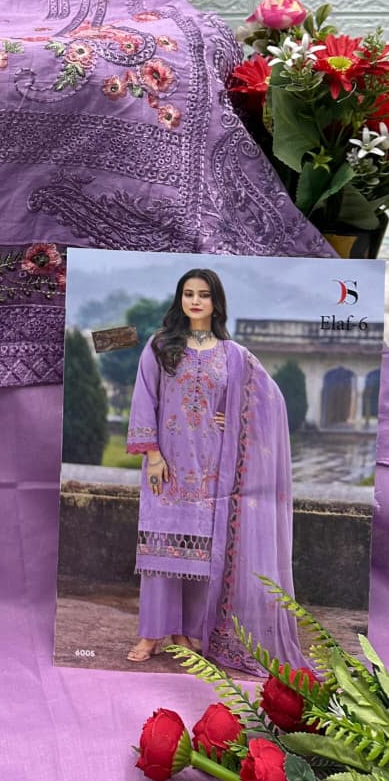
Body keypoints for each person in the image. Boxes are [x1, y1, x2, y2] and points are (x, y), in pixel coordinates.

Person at [125, 269, 303, 672]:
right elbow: (144, 398)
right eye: (188, 293)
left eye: (203, 295)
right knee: (159, 552)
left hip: (212, 468)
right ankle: (151, 633)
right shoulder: (160, 345)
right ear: (180, 299)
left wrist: (236, 416)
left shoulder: (233, 354)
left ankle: (185, 633)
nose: (195, 301)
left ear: (215, 302)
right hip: (166, 465)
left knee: (201, 557)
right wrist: (152, 454)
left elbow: (269, 401)